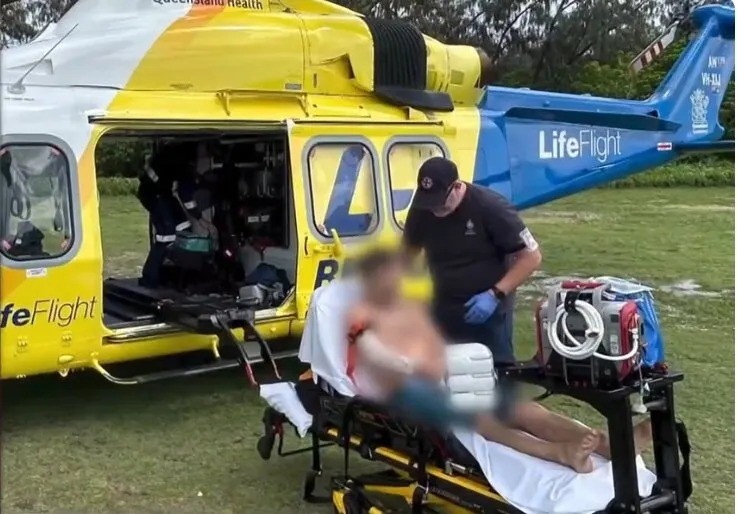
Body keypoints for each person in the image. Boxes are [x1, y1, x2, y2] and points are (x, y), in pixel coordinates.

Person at [346, 248, 652, 473]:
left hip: (446, 377)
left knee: (523, 409)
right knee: (484, 421)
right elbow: (378, 357)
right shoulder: (362, 317)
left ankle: (612, 447)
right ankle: (560, 453)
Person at [403, 157, 542, 367]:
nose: (435, 209)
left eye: (441, 202)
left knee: (494, 370)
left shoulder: (491, 207)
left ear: (457, 187)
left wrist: (495, 294)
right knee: (445, 370)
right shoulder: (423, 207)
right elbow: (407, 254)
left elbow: (531, 256)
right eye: (430, 203)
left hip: (489, 305)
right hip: (443, 303)